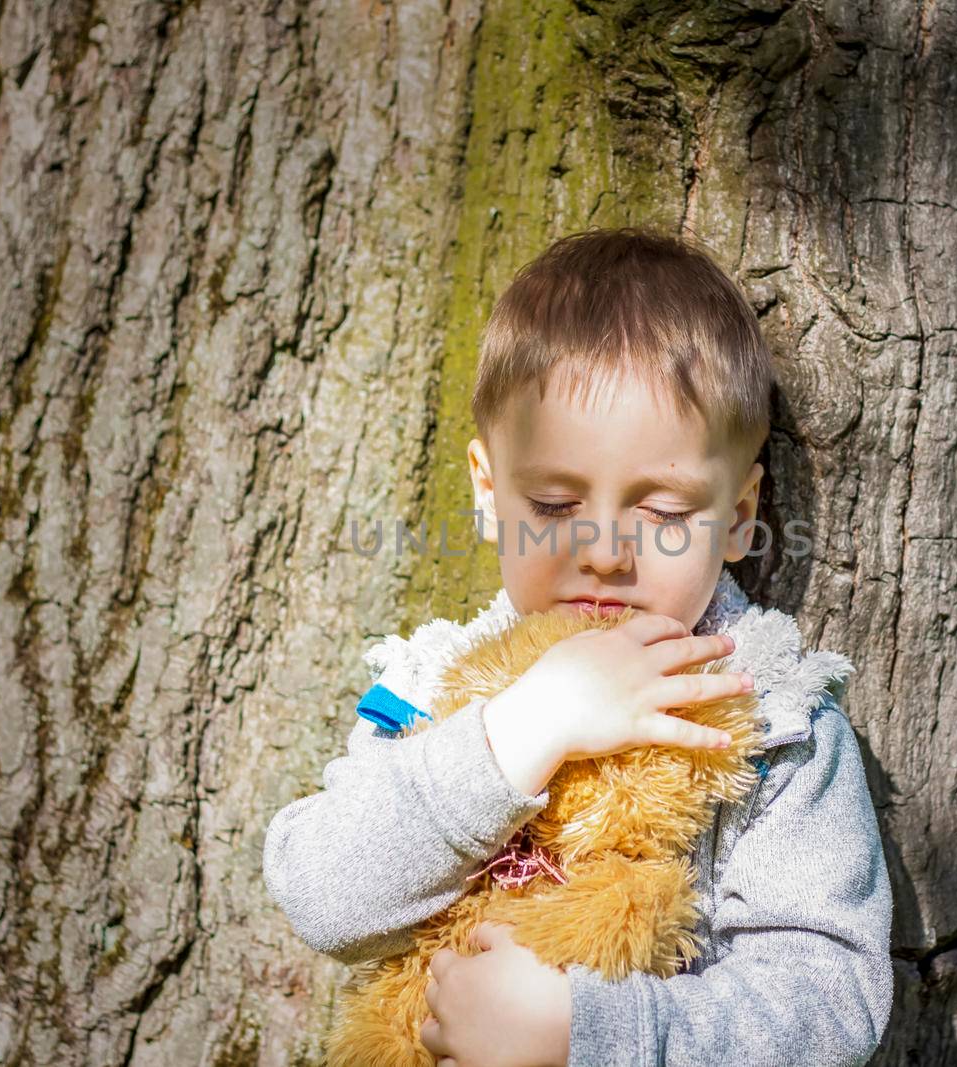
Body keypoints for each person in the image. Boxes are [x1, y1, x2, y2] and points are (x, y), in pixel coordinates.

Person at [262, 227, 892, 1066]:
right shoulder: (432, 683)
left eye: (663, 512)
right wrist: (520, 730)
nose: (603, 549)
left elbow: (828, 1000)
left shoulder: (777, 728)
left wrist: (586, 1035)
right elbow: (324, 895)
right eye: (556, 503)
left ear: (739, 515)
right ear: (489, 491)